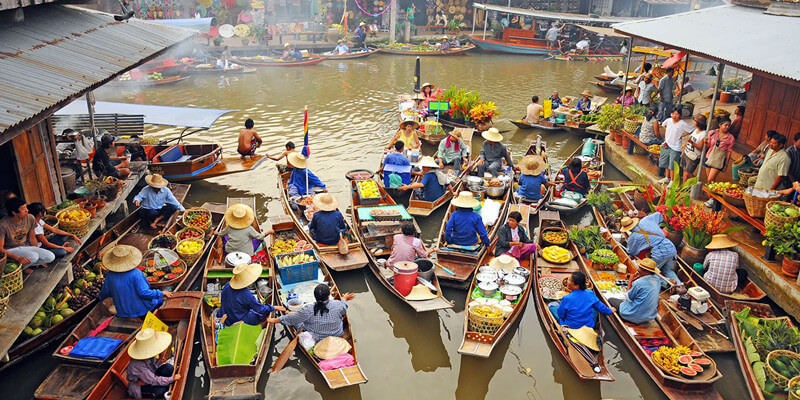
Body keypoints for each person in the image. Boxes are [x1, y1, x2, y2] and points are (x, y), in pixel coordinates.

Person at [99, 245, 171, 318]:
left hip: (123, 311)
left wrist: (100, 297)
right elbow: (144, 293)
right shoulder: (136, 273)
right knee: (160, 301)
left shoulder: (110, 275)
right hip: (142, 310)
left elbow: (105, 292)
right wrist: (161, 293)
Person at [267, 283, 355, 342]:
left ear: (315, 297)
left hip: (316, 339)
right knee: (295, 315)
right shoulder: (338, 304)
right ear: (328, 296)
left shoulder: (308, 309)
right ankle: (294, 313)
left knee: (294, 318)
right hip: (337, 335)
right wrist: (345, 298)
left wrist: (272, 320)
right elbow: (344, 305)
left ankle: (292, 313)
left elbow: (289, 319)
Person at [622, 213, 680, 287]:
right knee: (667, 270)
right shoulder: (646, 220)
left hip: (659, 252)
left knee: (649, 273)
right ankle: (680, 286)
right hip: (670, 246)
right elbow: (659, 215)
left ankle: (668, 284)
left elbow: (631, 252)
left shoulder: (633, 237)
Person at [219, 263, 285, 326]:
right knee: (261, 314)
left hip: (227, 315)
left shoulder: (227, 285)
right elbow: (260, 309)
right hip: (238, 319)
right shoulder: (245, 294)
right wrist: (274, 307)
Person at [0, 198, 55, 269]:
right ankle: (19, 269)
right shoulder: (3, 225)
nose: (27, 210)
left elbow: (32, 239)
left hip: (25, 247)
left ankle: (28, 265)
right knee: (34, 256)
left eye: (26, 207)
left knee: (50, 257)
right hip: (10, 250)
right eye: (23, 209)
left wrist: (39, 258)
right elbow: (0, 249)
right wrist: (18, 258)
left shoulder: (30, 218)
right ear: (14, 212)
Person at [126, 328, 179, 399]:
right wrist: (172, 379)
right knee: (161, 390)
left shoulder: (149, 354)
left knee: (169, 368)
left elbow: (155, 367)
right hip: (141, 386)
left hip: (150, 377)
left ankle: (167, 383)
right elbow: (153, 380)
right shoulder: (138, 365)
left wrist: (160, 358)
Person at [549, 271, 614, 329]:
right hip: (588, 326)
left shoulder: (567, 298)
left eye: (570, 281)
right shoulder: (590, 293)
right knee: (594, 308)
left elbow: (561, 315)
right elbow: (602, 308)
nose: (568, 282)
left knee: (551, 306)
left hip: (571, 327)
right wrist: (610, 310)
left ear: (576, 286)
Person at [607, 258, 661, 324]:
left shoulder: (639, 282)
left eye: (640, 268)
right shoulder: (657, 281)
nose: (638, 270)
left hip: (634, 315)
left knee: (611, 300)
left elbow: (629, 297)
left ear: (647, 272)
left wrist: (630, 281)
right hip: (649, 316)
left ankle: (615, 321)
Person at [658, 108, 694, 185]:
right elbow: (663, 125)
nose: (674, 116)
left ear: (680, 115)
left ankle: (672, 180)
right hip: (666, 144)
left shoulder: (682, 123)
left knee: (672, 165)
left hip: (675, 147)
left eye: (676, 114)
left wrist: (684, 134)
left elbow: (691, 130)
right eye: (673, 114)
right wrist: (668, 131)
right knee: (666, 163)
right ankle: (667, 178)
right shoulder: (668, 120)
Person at [703, 115, 737, 184]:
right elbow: (709, 146)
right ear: (720, 125)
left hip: (719, 160)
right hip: (709, 157)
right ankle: (710, 194)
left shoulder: (731, 138)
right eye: (725, 125)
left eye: (729, 125)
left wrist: (726, 165)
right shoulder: (712, 133)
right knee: (710, 181)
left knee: (710, 179)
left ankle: (710, 193)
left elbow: (729, 152)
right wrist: (705, 142)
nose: (727, 127)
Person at [680, 114, 708, 182]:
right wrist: (685, 144)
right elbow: (690, 138)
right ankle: (684, 187)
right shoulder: (696, 130)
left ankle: (697, 181)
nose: (694, 123)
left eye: (695, 121)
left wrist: (692, 142)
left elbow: (701, 148)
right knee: (685, 171)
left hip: (693, 156)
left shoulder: (703, 134)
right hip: (687, 152)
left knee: (688, 173)